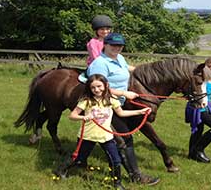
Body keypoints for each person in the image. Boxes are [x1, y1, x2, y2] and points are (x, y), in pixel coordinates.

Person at [87, 33, 160, 185]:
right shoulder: (100, 64)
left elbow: (127, 68)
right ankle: (136, 176)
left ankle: (71, 164)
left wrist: (150, 71)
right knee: (124, 139)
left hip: (118, 103)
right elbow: (97, 88)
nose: (117, 48)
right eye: (113, 45)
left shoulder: (119, 58)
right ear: (105, 45)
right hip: (105, 106)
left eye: (120, 46)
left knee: (94, 142)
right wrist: (123, 93)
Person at [54, 74, 151, 190]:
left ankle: (117, 184)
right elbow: (72, 115)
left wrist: (140, 112)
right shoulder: (86, 101)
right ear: (89, 89)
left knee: (116, 160)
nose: (96, 90)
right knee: (79, 159)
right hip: (87, 136)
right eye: (93, 88)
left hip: (106, 136)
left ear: (106, 86)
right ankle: (61, 170)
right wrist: (84, 117)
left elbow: (121, 113)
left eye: (99, 86)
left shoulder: (111, 100)